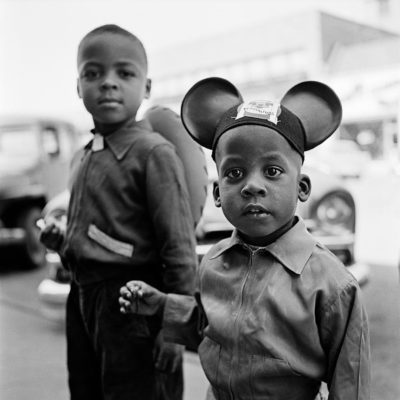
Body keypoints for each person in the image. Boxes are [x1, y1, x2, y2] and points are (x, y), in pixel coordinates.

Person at [119, 77, 371, 400]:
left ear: (302, 187)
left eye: (272, 171)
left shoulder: (333, 286)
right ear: (217, 193)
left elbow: (351, 380)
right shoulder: (213, 263)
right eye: (235, 173)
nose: (252, 185)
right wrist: (160, 306)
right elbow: (208, 329)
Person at [39, 24, 198, 400]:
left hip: (134, 304)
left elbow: (178, 246)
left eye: (124, 73)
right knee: (87, 389)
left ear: (145, 87)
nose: (108, 83)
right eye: (93, 74)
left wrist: (173, 329)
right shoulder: (83, 156)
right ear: (78, 87)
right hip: (82, 301)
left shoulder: (153, 154)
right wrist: (60, 242)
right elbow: (92, 237)